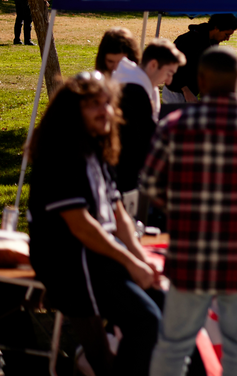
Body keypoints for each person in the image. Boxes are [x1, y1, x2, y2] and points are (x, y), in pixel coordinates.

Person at [143, 47, 237, 373]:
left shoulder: (174, 126)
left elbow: (152, 186)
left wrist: (182, 206)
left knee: (173, 345)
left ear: (200, 80)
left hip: (189, 254)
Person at [29, 72, 162, 376]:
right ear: (72, 112)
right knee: (144, 322)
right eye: (93, 105)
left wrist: (142, 262)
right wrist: (130, 263)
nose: (105, 111)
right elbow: (81, 226)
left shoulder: (98, 148)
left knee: (164, 305)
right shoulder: (59, 153)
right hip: (69, 260)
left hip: (99, 254)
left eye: (107, 103)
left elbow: (118, 215)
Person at [114, 39, 185, 194]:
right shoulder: (134, 91)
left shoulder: (138, 86)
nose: (169, 81)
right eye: (169, 73)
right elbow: (145, 139)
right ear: (153, 65)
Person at [164, 14, 237, 103]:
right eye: (226, 35)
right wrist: (186, 90)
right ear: (216, 28)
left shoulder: (212, 42)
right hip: (176, 91)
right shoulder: (190, 40)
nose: (227, 39)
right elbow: (173, 67)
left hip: (190, 92)